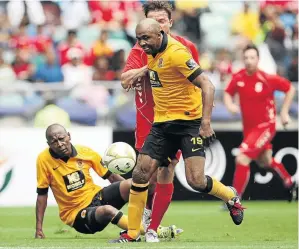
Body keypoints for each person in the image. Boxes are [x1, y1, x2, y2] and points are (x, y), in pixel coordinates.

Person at [111, 19, 245, 243]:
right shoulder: (151, 52)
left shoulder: (177, 53)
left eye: (146, 38)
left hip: (189, 124)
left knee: (196, 180)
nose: (142, 43)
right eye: (138, 39)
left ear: (160, 33)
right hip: (162, 124)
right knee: (140, 173)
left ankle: (230, 196)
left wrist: (206, 122)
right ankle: (132, 233)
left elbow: (208, 84)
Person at [121, 1, 199, 242]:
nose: (158, 25)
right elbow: (124, 80)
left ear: (170, 23)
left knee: (166, 170)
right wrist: (147, 67)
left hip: (175, 119)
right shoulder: (138, 49)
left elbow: (198, 80)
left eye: (162, 21)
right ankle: (141, 221)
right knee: (144, 174)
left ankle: (151, 226)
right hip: (147, 119)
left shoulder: (185, 47)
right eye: (153, 21)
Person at [35, 124, 176, 239]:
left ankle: (149, 222)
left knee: (138, 184)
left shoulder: (86, 152)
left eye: (61, 138)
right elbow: (42, 195)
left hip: (97, 196)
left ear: (69, 136)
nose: (59, 144)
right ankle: (148, 231)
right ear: (49, 144)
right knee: (108, 211)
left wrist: (133, 191)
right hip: (76, 214)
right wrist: (39, 228)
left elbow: (112, 177)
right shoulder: (43, 160)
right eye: (54, 141)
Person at [224, 44, 296, 201]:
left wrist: (284, 113)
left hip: (266, 126)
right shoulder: (239, 77)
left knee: (242, 157)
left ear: (258, 59)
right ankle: (289, 182)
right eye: (246, 58)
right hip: (249, 129)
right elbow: (228, 93)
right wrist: (230, 105)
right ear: (243, 60)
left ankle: (234, 199)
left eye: (252, 58)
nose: (249, 61)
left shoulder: (267, 78)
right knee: (265, 161)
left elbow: (290, 88)